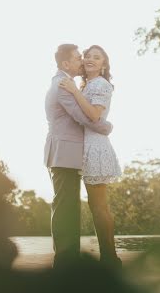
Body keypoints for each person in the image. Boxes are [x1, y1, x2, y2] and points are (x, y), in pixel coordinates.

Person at [44, 44, 113, 267]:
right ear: (66, 64)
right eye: (79, 57)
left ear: (104, 63)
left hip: (73, 151)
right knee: (66, 206)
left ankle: (93, 259)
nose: (83, 61)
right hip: (65, 151)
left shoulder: (76, 84)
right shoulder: (65, 84)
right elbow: (82, 117)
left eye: (93, 57)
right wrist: (106, 127)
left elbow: (88, 114)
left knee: (73, 206)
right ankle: (66, 262)